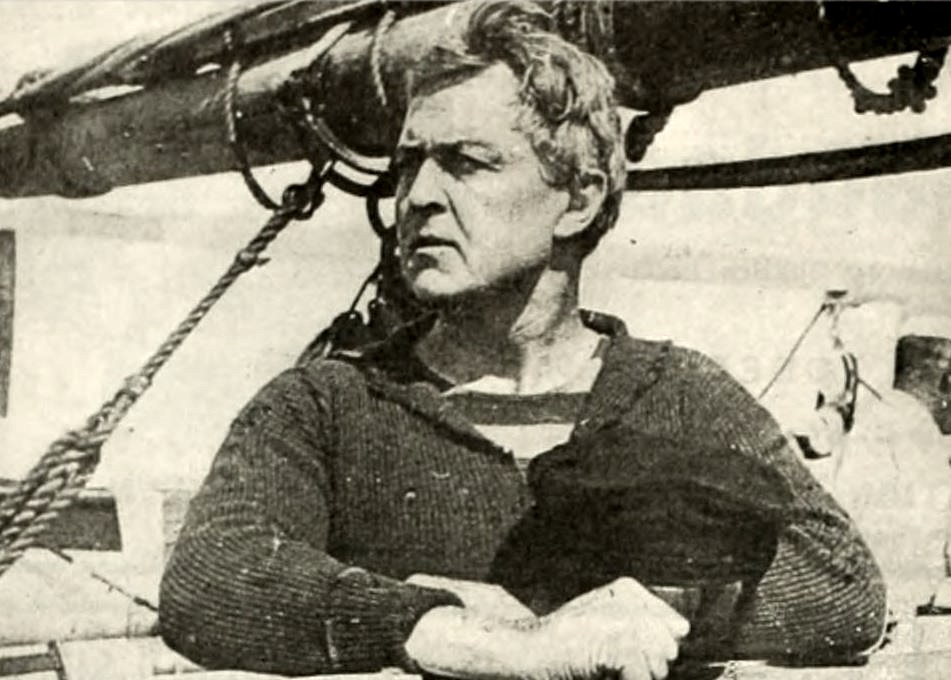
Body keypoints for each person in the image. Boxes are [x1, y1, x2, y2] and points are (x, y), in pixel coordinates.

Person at [158, 1, 888, 678]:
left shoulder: (680, 393)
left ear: (579, 198)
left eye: (467, 162)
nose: (418, 197)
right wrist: (472, 636)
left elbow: (842, 584)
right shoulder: (325, 405)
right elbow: (211, 577)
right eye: (409, 163)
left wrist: (643, 606)